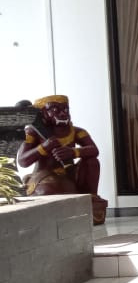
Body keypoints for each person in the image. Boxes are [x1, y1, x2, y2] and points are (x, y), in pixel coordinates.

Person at [17, 95, 108, 224]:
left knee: (92, 162)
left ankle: (91, 196)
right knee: (49, 189)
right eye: (55, 109)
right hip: (45, 174)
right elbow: (22, 160)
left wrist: (74, 152)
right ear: (43, 112)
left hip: (69, 173)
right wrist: (43, 147)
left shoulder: (76, 131)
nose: (62, 113)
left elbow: (94, 150)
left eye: (65, 109)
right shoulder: (32, 132)